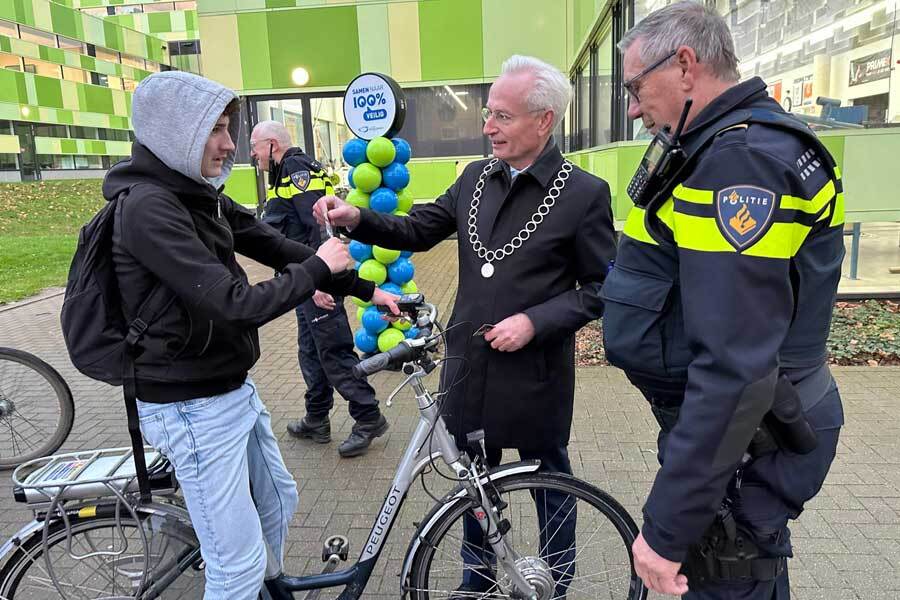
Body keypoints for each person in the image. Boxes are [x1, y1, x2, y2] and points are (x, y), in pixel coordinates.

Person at [315, 55, 617, 597]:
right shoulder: (476, 177)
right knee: (470, 486)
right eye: (488, 113)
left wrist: (535, 320)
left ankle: (556, 581)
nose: (487, 127)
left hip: (535, 371)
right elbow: (418, 228)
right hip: (469, 367)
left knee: (550, 481)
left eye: (501, 116)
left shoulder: (583, 194)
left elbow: (600, 289)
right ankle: (474, 582)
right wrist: (358, 218)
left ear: (543, 120)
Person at [107, 71, 397, 599]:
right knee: (236, 567)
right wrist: (314, 275)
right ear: (176, 133)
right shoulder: (150, 207)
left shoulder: (196, 194)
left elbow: (270, 244)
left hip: (227, 388)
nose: (228, 144)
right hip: (188, 404)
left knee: (278, 503)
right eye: (214, 130)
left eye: (229, 128)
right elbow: (231, 304)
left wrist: (361, 287)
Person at [600, 3, 845, 598]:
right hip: (740, 433)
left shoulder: (742, 161)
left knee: (729, 578)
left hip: (749, 437)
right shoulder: (725, 144)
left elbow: (735, 367)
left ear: (685, 65)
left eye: (636, 86)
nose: (633, 107)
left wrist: (665, 529)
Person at [250, 121, 389, 458]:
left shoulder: (296, 169)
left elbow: (319, 229)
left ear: (271, 144)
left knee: (333, 350)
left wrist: (318, 283)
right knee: (310, 352)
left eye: (255, 148)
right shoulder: (286, 172)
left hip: (316, 281)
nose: (253, 156)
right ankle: (316, 418)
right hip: (304, 279)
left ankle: (369, 416)